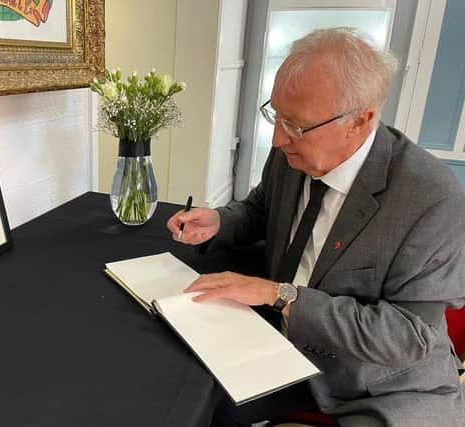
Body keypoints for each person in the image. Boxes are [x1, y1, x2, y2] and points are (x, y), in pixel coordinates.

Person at [167, 28, 465, 427]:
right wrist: (220, 220)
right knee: (189, 402)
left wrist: (281, 295)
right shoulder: (295, 156)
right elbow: (260, 209)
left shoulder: (431, 198)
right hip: (285, 348)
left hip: (376, 384)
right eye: (275, 114)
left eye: (294, 125)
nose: (276, 139)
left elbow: (411, 337)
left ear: (360, 121)